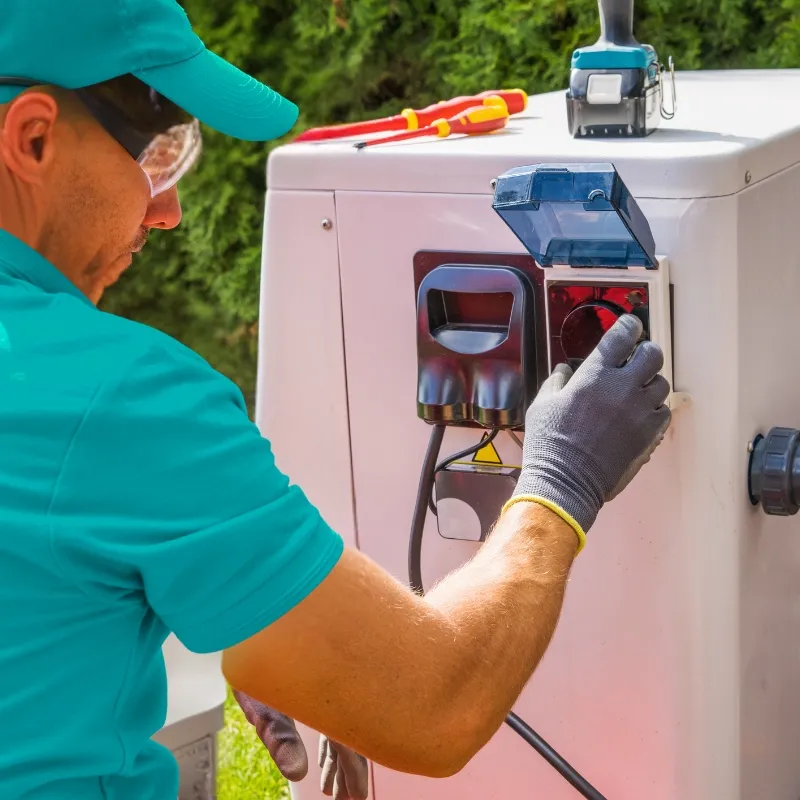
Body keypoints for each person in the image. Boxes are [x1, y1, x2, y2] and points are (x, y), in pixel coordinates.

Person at [0, 1, 672, 799]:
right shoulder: (118, 399)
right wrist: (562, 481)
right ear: (33, 137)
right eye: (157, 156)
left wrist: (253, 611)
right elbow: (433, 703)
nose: (169, 211)